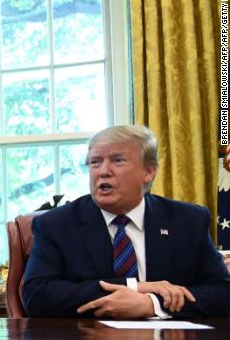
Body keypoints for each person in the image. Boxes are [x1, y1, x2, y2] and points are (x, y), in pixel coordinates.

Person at [22, 125, 230, 319]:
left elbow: (222, 293)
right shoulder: (57, 224)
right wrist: (136, 287)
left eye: (117, 160)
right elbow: (37, 296)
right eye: (95, 162)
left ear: (148, 172)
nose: (103, 171)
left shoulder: (187, 221)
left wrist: (152, 304)